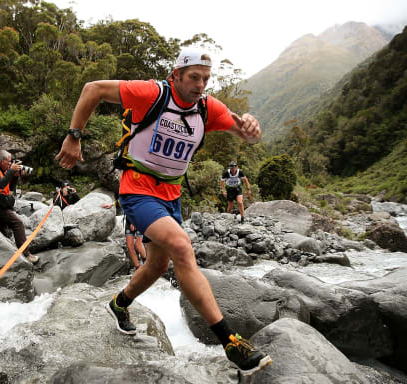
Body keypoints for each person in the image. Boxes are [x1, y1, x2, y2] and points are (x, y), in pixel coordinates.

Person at [55, 47, 271, 375]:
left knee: (158, 265)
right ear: (177, 75)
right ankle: (230, 342)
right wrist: (74, 137)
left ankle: (119, 304)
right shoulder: (151, 93)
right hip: (138, 190)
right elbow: (92, 90)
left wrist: (251, 128)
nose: (200, 85)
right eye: (193, 78)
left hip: (171, 194)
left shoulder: (208, 108)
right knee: (182, 247)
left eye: (205, 79)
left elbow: (244, 134)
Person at [0, 150, 38, 264]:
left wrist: (15, 176)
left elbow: (9, 188)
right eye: (9, 161)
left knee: (2, 231)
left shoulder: (2, 170)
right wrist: (11, 171)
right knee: (17, 223)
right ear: (2, 161)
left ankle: (3, 256)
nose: (10, 163)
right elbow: (1, 183)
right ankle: (26, 254)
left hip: (1, 203)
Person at [103, 200, 147, 270]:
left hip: (139, 220)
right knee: (129, 246)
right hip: (129, 221)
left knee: (138, 245)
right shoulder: (125, 195)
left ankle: (146, 264)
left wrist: (134, 222)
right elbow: (120, 201)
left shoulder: (136, 194)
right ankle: (138, 269)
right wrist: (111, 205)